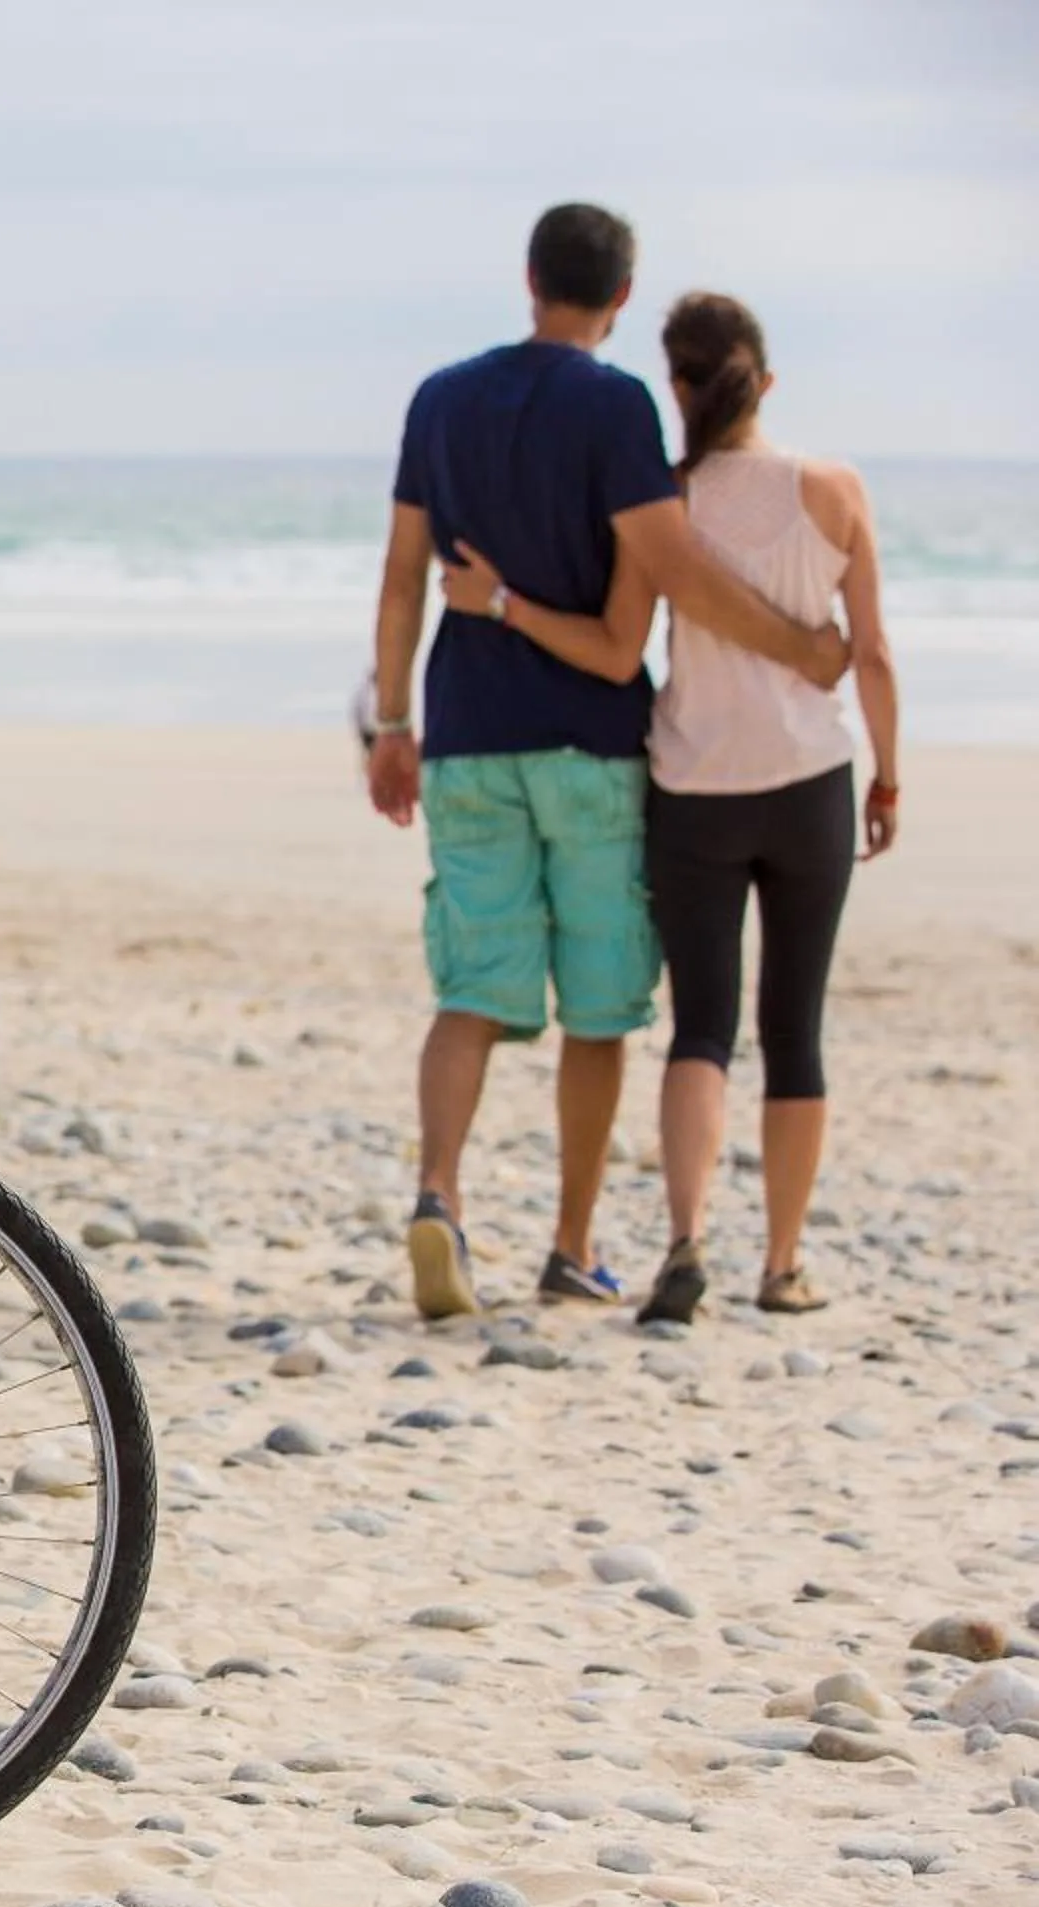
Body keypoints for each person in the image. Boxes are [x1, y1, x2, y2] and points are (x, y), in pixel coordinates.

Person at [368, 201, 846, 1321]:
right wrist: (806, 649)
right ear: (622, 300)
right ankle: (572, 1244)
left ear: (529, 278)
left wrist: (393, 719)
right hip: (592, 737)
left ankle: (439, 1193)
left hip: (470, 731)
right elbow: (670, 563)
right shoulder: (617, 403)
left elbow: (400, 577)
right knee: (597, 1006)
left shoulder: (440, 397)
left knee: (473, 985)